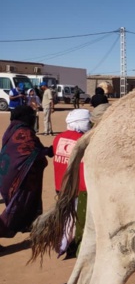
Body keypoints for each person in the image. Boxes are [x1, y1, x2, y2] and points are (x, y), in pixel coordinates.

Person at [0, 106, 54, 237]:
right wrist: (49, 151)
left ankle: (27, 225)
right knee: (16, 209)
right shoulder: (24, 132)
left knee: (19, 206)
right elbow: (31, 152)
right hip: (19, 179)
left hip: (8, 176)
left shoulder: (12, 129)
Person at [53, 109, 91, 257]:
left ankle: (61, 244)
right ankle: (65, 245)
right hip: (76, 186)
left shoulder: (58, 138)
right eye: (88, 122)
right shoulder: (82, 141)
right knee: (74, 220)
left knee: (64, 215)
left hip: (60, 185)